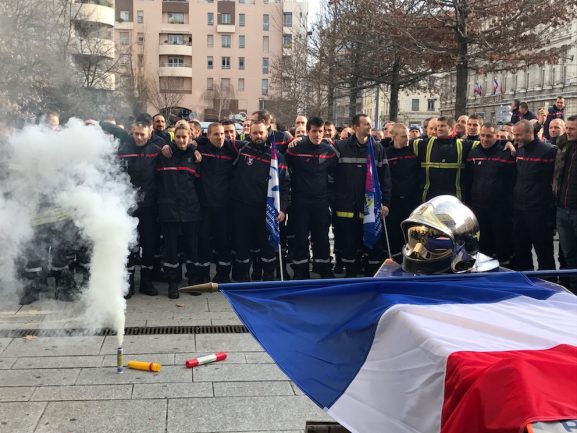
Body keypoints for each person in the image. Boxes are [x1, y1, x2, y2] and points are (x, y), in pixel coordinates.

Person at [99, 116, 162, 298]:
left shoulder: (157, 149)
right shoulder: (123, 148)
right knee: (129, 244)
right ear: (131, 133)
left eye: (142, 134)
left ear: (149, 133)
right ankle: (128, 283)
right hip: (127, 205)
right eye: (136, 134)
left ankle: (146, 281)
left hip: (149, 206)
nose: (139, 138)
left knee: (149, 244)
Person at [230, 120, 290, 282]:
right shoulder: (242, 149)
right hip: (242, 208)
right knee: (242, 245)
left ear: (267, 134)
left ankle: (268, 276)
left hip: (265, 210)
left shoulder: (277, 157)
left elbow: (284, 186)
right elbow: (214, 140)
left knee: (267, 247)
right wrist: (194, 143)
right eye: (255, 133)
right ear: (250, 134)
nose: (258, 136)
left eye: (261, 133)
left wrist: (283, 209)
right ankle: (242, 277)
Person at [333, 114, 391, 277]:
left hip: (370, 207)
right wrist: (335, 198)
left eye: (370, 124)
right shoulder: (340, 147)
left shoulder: (378, 148)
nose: (369, 127)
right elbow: (330, 175)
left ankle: (370, 275)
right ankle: (350, 275)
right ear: (355, 127)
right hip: (347, 206)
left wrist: (385, 202)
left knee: (372, 243)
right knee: (349, 243)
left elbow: (385, 178)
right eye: (366, 124)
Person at [285, 116, 338, 279]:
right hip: (300, 201)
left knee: (321, 235)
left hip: (321, 201)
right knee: (301, 236)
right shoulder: (295, 149)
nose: (317, 135)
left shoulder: (328, 151)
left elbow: (335, 173)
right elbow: (286, 167)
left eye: (320, 131)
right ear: (307, 131)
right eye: (314, 131)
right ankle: (300, 270)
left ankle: (323, 268)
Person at [156, 122, 202, 299]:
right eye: (179, 137)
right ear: (174, 136)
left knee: (191, 248)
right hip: (169, 210)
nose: (181, 140)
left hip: (190, 210)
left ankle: (192, 280)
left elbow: (199, 184)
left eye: (185, 137)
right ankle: (173, 283)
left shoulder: (195, 156)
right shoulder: (165, 154)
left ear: (190, 137)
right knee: (171, 249)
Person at [466, 123, 516, 265]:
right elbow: (468, 179)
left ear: (496, 137)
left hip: (500, 209)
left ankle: (505, 270)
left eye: (489, 136)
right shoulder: (473, 153)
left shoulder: (506, 153)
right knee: (484, 245)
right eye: (482, 135)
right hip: (479, 207)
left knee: (502, 243)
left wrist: (509, 143)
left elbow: (512, 180)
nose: (485, 139)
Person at [512, 120, 557, 271]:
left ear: (529, 133)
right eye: (514, 134)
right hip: (520, 210)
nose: (515, 138)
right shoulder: (519, 150)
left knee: (543, 252)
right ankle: (527, 284)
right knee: (521, 250)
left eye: (518, 135)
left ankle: (548, 285)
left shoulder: (549, 151)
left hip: (540, 211)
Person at [195, 123, 237, 284]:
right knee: (204, 241)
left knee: (223, 241)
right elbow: (188, 142)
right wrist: (195, 143)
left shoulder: (230, 151)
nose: (220, 137)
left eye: (222, 134)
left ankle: (223, 274)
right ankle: (203, 274)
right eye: (216, 134)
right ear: (208, 135)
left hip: (224, 206)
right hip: (204, 205)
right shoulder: (201, 150)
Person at [385, 123, 420, 260]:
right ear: (394, 136)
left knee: (412, 233)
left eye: (408, 136)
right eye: (404, 136)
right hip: (394, 200)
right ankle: (396, 259)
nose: (408, 139)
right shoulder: (386, 153)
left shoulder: (414, 152)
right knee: (394, 232)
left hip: (411, 200)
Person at [553, 115, 577, 293]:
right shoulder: (562, 146)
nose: (567, 131)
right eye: (567, 128)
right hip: (562, 208)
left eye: (572, 129)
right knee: (569, 254)